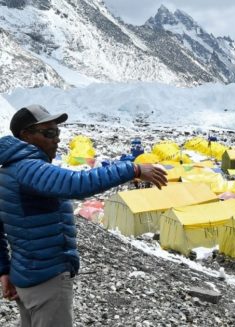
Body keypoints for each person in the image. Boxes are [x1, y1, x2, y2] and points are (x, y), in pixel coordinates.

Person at [0, 104, 168, 326]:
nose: (56, 140)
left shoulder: (8, 170)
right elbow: (77, 184)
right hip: (47, 278)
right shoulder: (29, 169)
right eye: (48, 133)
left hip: (26, 276)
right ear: (26, 136)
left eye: (57, 133)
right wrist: (133, 169)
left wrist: (4, 270)